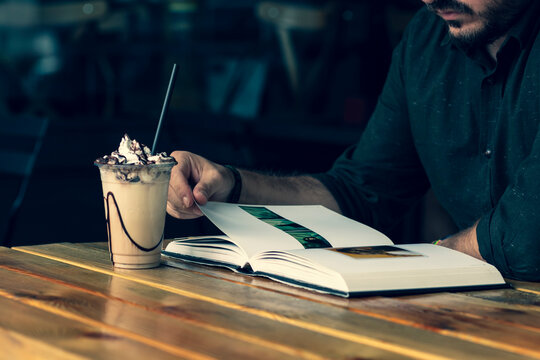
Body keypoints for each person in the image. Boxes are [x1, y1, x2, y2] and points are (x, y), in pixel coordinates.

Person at [167, 0, 540, 281]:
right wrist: (231, 184)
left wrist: (433, 260)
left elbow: (526, 232)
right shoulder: (427, 40)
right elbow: (362, 191)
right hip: (480, 315)